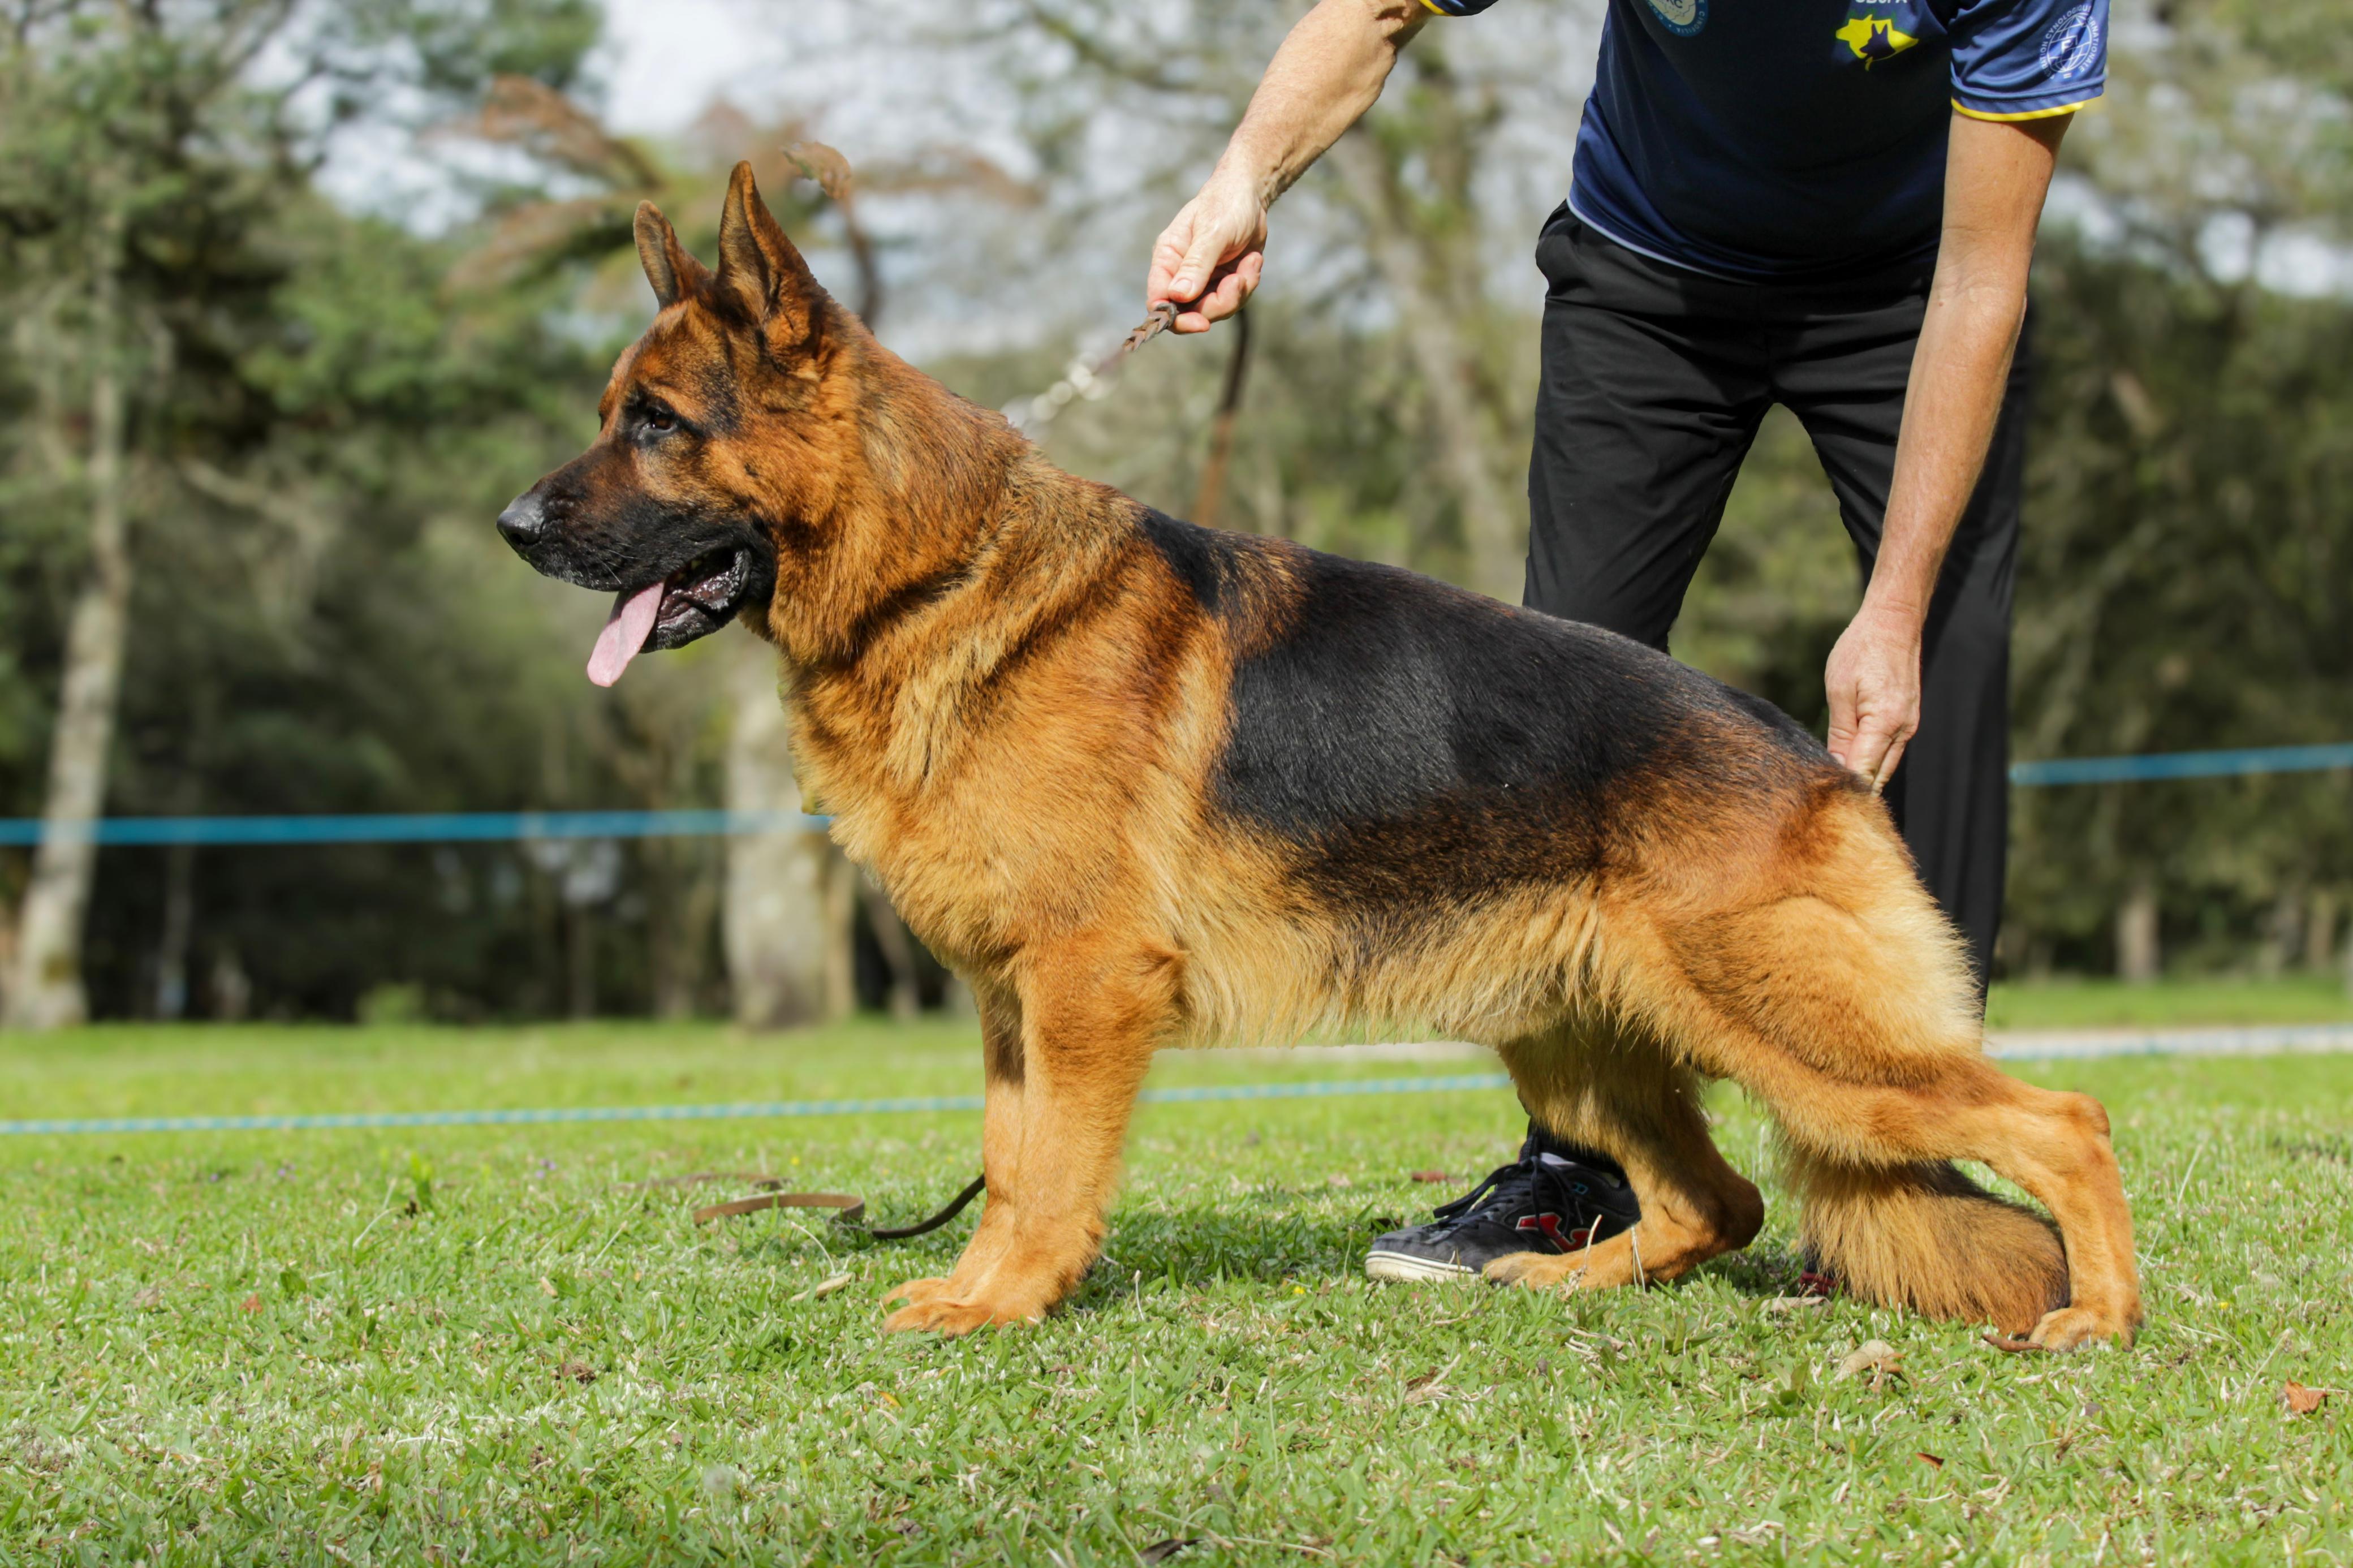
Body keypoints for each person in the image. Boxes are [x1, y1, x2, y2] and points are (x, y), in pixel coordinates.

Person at [1147, 0, 2104, 1282]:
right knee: (1549, 715)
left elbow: (1982, 280)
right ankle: (1582, 1171)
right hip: (1648, 274)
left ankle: (1904, 1163)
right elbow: (1377, 8)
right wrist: (1240, 181)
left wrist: (1891, 608)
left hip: (1908, 293)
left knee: (1938, 668)